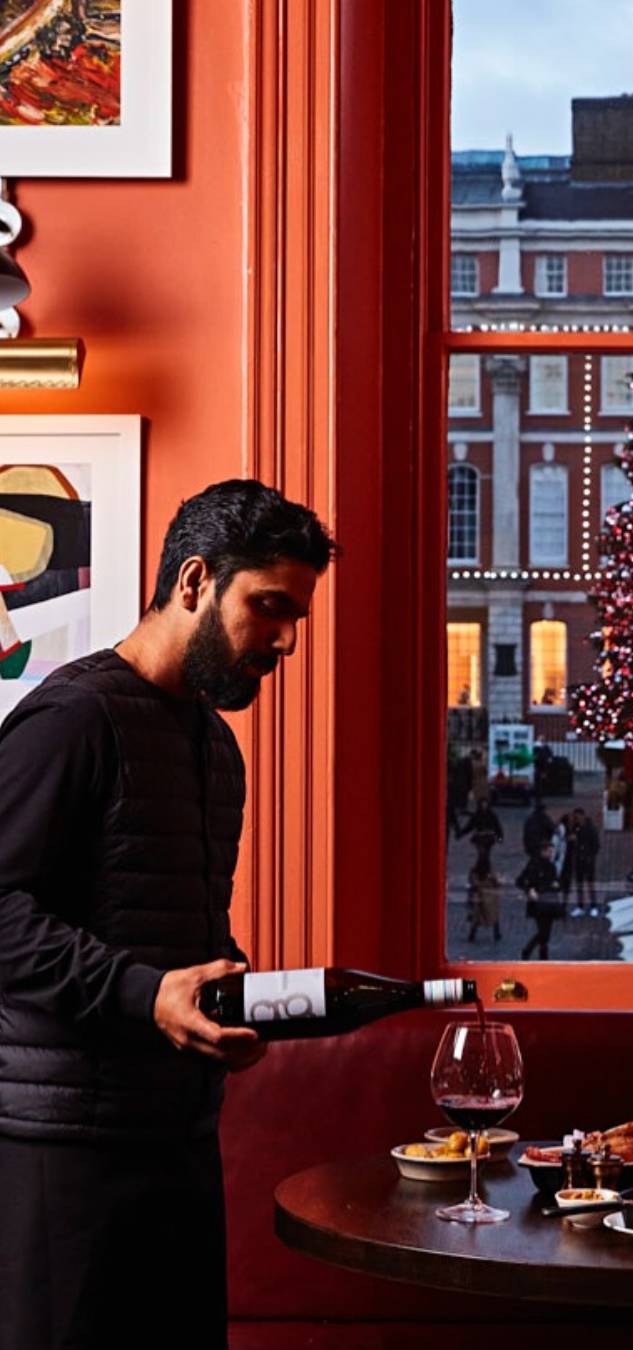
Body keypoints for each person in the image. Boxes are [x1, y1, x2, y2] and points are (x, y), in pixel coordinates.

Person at [0, 479, 336, 1350]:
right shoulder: (71, 720)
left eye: (297, 615)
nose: (288, 640)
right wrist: (147, 994)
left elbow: (171, 921)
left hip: (178, 1141)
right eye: (270, 606)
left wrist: (224, 986)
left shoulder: (215, 747)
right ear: (194, 582)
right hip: (60, 1157)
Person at [516, 843, 561, 960]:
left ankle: (533, 952)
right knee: (543, 931)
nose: (551, 854)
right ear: (543, 851)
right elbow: (521, 881)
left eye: (552, 851)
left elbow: (555, 882)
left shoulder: (551, 867)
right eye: (549, 851)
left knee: (545, 932)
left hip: (549, 902)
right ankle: (538, 955)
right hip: (538, 903)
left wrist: (556, 885)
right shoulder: (534, 865)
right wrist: (529, 890)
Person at [459, 795, 504, 871]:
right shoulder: (476, 815)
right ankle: (482, 870)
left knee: (486, 854)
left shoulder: (492, 815)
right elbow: (469, 826)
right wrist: (461, 834)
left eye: (485, 804)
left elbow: (497, 827)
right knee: (482, 853)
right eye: (483, 804)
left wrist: (500, 837)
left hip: (489, 838)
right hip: (479, 838)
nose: (484, 806)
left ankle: (482, 870)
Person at [571, 806, 601, 916]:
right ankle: (580, 906)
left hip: (588, 861)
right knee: (579, 885)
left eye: (578, 817)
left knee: (590, 884)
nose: (576, 819)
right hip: (578, 861)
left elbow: (596, 845)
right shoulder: (575, 828)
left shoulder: (591, 828)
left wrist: (590, 856)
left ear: (582, 816)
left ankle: (593, 905)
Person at [466, 862, 502, 944]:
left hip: (483, 896)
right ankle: (496, 933)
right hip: (487, 896)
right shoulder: (489, 872)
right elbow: (497, 883)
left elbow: (473, 882)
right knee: (491, 915)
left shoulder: (475, 871)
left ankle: (472, 935)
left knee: (478, 917)